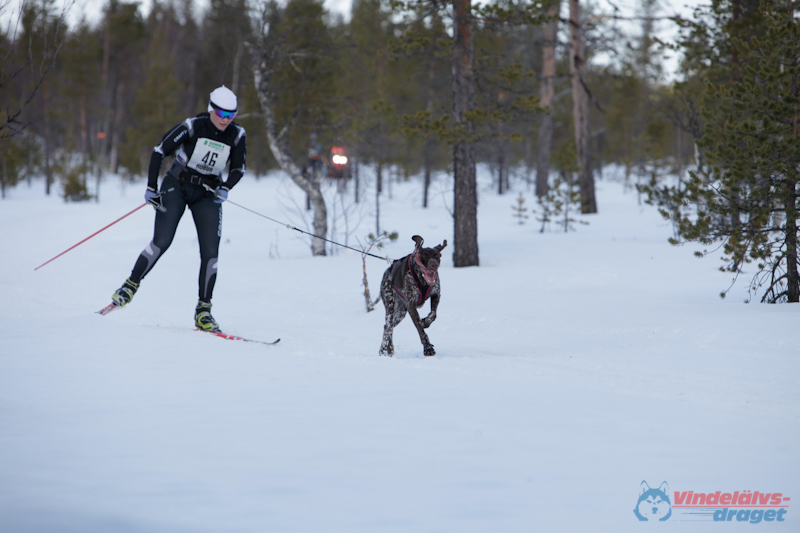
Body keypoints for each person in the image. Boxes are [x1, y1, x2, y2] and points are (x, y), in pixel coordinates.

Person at [107, 86, 247, 332]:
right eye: (222, 114)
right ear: (211, 109)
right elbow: (160, 150)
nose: (226, 120)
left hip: (207, 194)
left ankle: (204, 311)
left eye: (231, 115)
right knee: (162, 241)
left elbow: (238, 168)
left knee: (211, 253)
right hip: (177, 186)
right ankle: (130, 286)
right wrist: (151, 187)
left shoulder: (237, 134)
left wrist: (226, 187)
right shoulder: (194, 125)